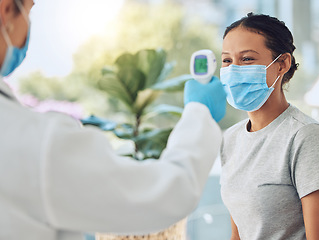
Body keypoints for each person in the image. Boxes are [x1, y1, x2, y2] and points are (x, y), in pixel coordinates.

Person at [0, 0, 227, 239]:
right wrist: (200, 111)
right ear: (6, 10)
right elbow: (167, 194)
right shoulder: (37, 144)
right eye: (29, 9)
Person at [219, 13, 319, 240]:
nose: (234, 70)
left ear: (282, 64)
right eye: (227, 60)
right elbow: (239, 231)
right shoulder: (231, 139)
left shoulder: (306, 137)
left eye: (247, 59)